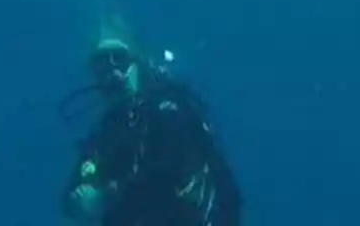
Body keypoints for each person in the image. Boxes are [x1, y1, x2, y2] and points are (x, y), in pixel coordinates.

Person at [61, 35, 242, 226]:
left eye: (120, 60)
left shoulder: (167, 110)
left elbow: (167, 174)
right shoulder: (105, 133)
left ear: (137, 66)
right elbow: (69, 197)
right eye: (102, 65)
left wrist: (104, 196)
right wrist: (80, 199)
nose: (113, 73)